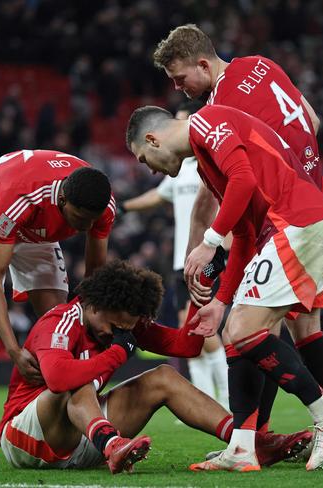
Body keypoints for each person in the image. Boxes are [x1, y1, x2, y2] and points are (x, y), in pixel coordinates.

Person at [125, 104, 323, 472]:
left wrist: (209, 240)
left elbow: (244, 181)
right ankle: (243, 447)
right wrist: (220, 299)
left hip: (296, 222)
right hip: (284, 229)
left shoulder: (207, 121)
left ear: (153, 139)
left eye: (143, 158)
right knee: (235, 334)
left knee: (245, 330)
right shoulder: (204, 160)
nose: (149, 169)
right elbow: (245, 232)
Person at [153, 23, 323, 438]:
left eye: (181, 78)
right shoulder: (261, 64)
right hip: (317, 199)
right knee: (306, 328)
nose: (181, 89)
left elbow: (219, 183)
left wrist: (200, 244)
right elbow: (312, 117)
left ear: (203, 63)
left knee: (251, 326)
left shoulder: (219, 107)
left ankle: (259, 435)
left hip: (281, 216)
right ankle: (313, 434)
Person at [0, 260, 311, 473]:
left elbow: (186, 346)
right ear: (94, 305)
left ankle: (247, 442)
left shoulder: (123, 324)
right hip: (26, 440)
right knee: (77, 378)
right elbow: (57, 377)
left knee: (162, 376)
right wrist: (117, 354)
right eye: (113, 325)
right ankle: (111, 443)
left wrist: (198, 300)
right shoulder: (60, 322)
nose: (115, 333)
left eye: (125, 328)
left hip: (83, 441)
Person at [0, 149, 116, 469]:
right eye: (80, 218)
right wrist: (13, 349)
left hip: (36, 234)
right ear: (63, 202)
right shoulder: (23, 196)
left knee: (60, 324)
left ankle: (57, 423)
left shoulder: (102, 205)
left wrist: (89, 325)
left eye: (91, 221)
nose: (85, 227)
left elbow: (94, 274)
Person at [119, 100, 229, 409]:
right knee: (190, 331)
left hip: (209, 255)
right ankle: (204, 401)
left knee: (207, 332)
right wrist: (125, 206)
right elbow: (157, 195)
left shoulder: (210, 164)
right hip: (185, 261)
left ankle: (227, 400)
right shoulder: (178, 171)